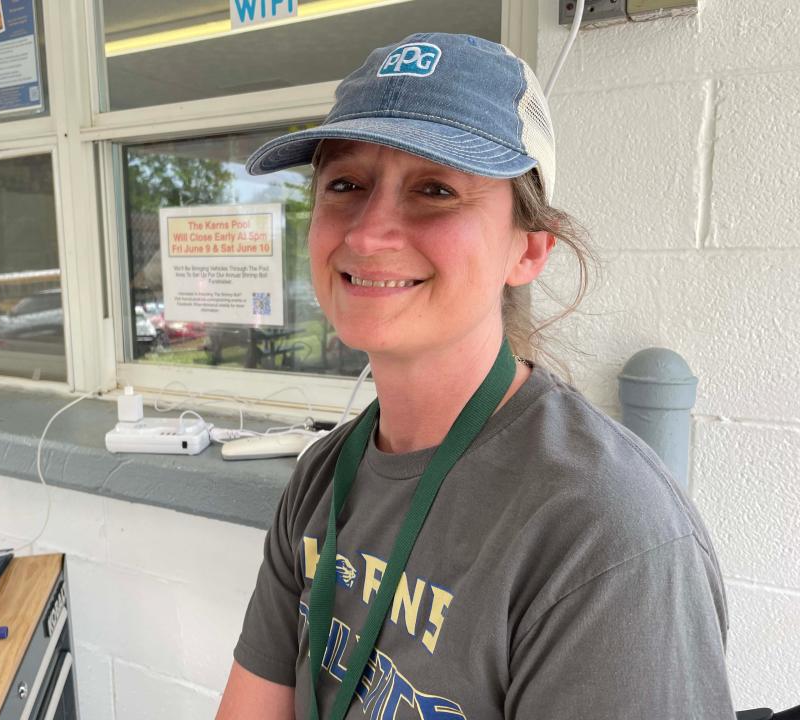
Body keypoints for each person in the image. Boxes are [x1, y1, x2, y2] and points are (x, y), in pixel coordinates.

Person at [217, 33, 735, 720]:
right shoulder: (322, 479)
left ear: (528, 251)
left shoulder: (603, 534)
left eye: (435, 190)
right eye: (345, 184)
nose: (369, 234)